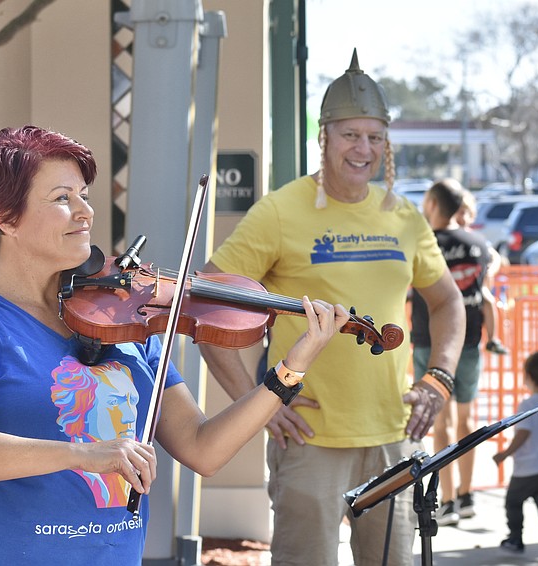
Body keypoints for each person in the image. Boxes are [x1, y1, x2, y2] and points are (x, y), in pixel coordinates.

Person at [0, 125, 350, 565]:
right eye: (62, 198)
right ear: (6, 218)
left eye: (84, 194)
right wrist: (83, 454)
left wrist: (290, 369)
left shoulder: (121, 317)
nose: (85, 211)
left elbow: (204, 449)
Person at [198, 50, 465, 566]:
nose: (362, 149)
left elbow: (447, 301)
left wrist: (439, 379)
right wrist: (258, 402)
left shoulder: (403, 216)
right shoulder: (280, 210)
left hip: (393, 433)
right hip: (309, 439)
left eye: (374, 137)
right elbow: (208, 297)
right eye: (350, 135)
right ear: (324, 138)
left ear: (386, 144)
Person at [411, 179, 491, 526]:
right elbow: (485, 287)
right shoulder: (478, 244)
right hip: (469, 339)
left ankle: (447, 500)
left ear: (431, 203)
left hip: (431, 341)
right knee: (467, 419)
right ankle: (468, 494)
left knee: (440, 423)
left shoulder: (426, 244)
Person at [493, 349, 538, 562]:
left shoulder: (528, 404)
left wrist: (505, 454)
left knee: (513, 502)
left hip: (527, 469)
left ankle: (515, 538)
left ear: (529, 377)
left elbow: (523, 433)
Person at [454, 189, 509, 355]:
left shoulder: (476, 239)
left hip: (473, 284)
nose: (462, 218)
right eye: (458, 212)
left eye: (466, 213)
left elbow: (495, 256)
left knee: (488, 299)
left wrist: (490, 271)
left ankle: (493, 339)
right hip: (454, 283)